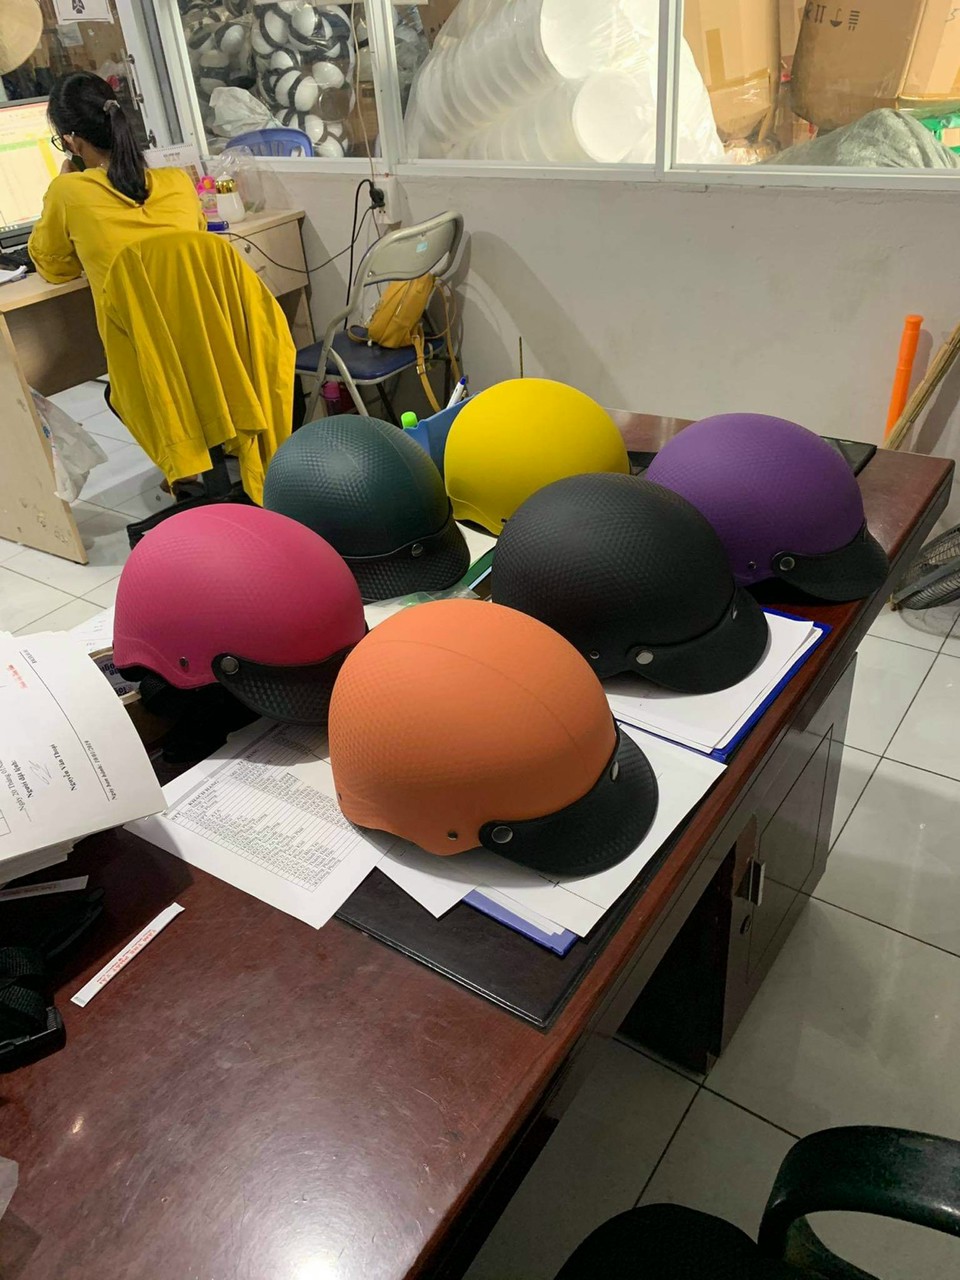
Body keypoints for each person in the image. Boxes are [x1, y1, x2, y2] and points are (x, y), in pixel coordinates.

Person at [28, 71, 205, 335]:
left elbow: (56, 269)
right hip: (206, 339)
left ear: (72, 143)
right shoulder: (178, 181)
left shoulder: (68, 191)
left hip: (137, 351)